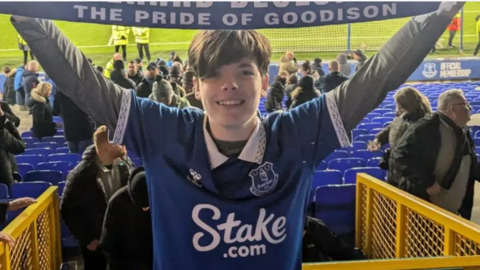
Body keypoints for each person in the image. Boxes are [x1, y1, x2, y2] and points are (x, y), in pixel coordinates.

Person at [14, 3, 463, 268]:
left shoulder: (300, 132)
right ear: (195, 86)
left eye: (244, 72)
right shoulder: (163, 128)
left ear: (265, 83)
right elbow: (81, 82)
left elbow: (378, 76)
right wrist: (29, 17)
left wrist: (440, 11)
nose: (228, 85)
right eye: (213, 75)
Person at [390, 89, 478, 220]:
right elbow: (399, 157)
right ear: (452, 109)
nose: (469, 108)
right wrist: (427, 181)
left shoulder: (463, 131)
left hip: (453, 211)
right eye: (465, 104)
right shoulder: (425, 128)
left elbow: (469, 163)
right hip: (425, 211)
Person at [60, 125, 132, 270]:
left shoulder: (126, 165)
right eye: (118, 141)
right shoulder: (80, 175)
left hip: (122, 240)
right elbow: (67, 209)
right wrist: (86, 239)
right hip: (96, 244)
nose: (124, 143)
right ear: (106, 147)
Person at [100, 166, 153, 270]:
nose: (145, 210)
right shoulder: (117, 203)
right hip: (125, 264)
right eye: (142, 207)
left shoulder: (162, 198)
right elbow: (108, 242)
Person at [0, 103, 25, 186]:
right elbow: (20, 146)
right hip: (4, 184)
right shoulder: (1, 133)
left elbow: (17, 120)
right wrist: (7, 122)